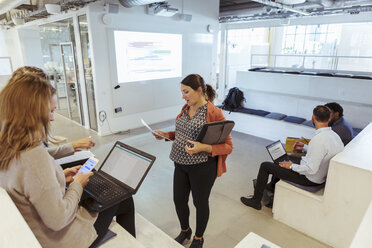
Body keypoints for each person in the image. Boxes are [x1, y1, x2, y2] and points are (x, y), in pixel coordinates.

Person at [0, 66, 134, 248]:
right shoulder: (33, 155)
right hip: (64, 240)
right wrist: (78, 183)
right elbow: (58, 219)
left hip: (37, 232)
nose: (53, 118)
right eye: (50, 111)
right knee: (124, 198)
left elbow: (30, 184)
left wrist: (61, 176)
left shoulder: (8, 146)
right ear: (31, 113)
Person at [153, 74, 233, 248]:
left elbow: (228, 146)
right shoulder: (185, 107)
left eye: (186, 92)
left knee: (200, 202)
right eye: (182, 92)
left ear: (199, 91)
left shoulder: (214, 113)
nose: (183, 96)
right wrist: (166, 135)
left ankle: (198, 238)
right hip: (180, 164)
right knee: (179, 200)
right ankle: (185, 231)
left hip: (203, 167)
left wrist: (203, 148)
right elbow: (183, 133)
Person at [240, 105, 344, 210]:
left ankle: (255, 201)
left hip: (310, 179)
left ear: (313, 118)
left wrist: (291, 166)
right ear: (329, 118)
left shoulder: (318, 140)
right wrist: (304, 147)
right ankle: (271, 189)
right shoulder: (334, 136)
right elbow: (322, 153)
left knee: (265, 166)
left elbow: (311, 169)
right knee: (285, 159)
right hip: (321, 176)